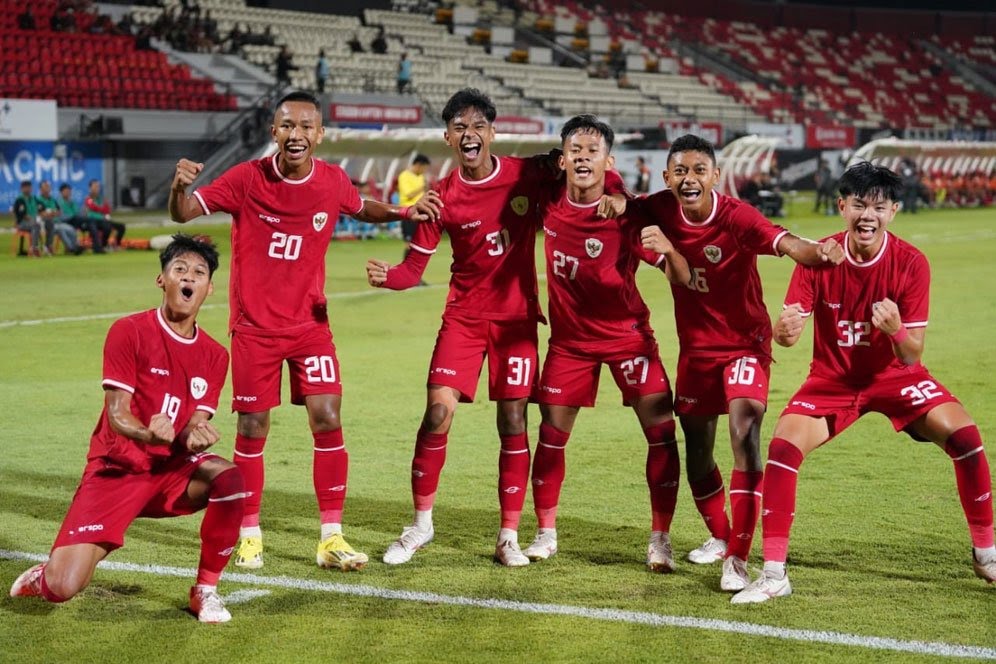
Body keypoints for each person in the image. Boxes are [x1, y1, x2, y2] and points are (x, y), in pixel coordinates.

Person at [168, 90, 440, 572]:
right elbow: (185, 214)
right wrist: (179, 188)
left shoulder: (331, 180)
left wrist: (404, 212)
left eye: (306, 127)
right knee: (253, 427)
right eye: (287, 126)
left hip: (310, 326)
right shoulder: (246, 179)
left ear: (319, 134)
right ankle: (249, 532)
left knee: (328, 416)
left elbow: (361, 207)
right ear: (274, 131)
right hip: (254, 328)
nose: (296, 135)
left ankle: (331, 537)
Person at [365, 92, 625, 567]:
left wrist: (618, 196)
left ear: (492, 132)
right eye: (460, 126)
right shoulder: (440, 197)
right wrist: (392, 277)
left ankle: (508, 535)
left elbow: (590, 164)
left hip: (516, 321)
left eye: (478, 125)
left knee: (512, 423)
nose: (470, 133)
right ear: (448, 137)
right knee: (437, 416)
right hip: (462, 321)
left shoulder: (528, 172)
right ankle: (421, 524)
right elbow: (413, 267)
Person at [731, 162, 996, 603]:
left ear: (893, 210)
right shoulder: (819, 256)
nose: (867, 215)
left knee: (966, 437)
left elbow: (912, 354)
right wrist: (784, 332)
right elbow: (788, 329)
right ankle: (775, 572)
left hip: (894, 376)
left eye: (877, 206)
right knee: (781, 451)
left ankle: (986, 554)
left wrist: (895, 331)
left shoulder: (911, 262)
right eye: (858, 204)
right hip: (831, 381)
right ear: (842, 207)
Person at [631, 134, 843, 591]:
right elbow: (673, 268)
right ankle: (722, 536)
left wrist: (821, 254)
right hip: (697, 350)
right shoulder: (654, 210)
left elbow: (789, 245)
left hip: (746, 343)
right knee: (699, 451)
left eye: (699, 170)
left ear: (715, 176)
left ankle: (738, 560)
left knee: (744, 431)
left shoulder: (736, 216)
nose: (690, 179)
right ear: (667, 177)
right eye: (680, 171)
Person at [9, 234, 243, 623]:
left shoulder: (216, 355)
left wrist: (194, 434)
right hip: (118, 471)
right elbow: (116, 413)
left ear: (209, 287)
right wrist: (146, 434)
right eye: (179, 269)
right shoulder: (129, 331)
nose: (188, 278)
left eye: (198, 272)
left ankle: (206, 590)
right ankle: (43, 576)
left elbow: (195, 422)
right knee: (63, 588)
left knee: (231, 480)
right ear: (162, 280)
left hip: (170, 472)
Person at [524, 115, 690, 571]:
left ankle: (660, 539)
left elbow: (680, 276)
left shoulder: (627, 215)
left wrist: (672, 251)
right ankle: (545, 532)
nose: (582, 157)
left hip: (628, 339)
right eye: (574, 150)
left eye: (592, 151)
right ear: (562, 159)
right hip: (570, 344)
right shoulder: (550, 201)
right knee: (551, 438)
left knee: (661, 435)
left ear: (608, 160)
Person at [397, 153, 430, 268]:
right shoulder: (404, 176)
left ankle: (414, 273)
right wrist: (422, 187)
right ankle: (406, 271)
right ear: (418, 165)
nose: (424, 171)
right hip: (408, 213)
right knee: (409, 244)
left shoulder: (420, 177)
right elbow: (408, 194)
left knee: (418, 244)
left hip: (420, 213)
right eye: (424, 168)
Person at [36, 180, 83, 255]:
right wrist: (52, 213)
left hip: (56, 222)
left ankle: (75, 246)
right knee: (61, 230)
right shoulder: (38, 200)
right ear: (41, 189)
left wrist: (51, 213)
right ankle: (71, 248)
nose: (47, 189)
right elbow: (41, 214)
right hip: (43, 224)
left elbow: (59, 212)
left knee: (71, 229)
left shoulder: (53, 200)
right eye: (45, 187)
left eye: (48, 187)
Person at [57, 183, 107, 253]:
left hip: (76, 220)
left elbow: (78, 212)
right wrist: (74, 216)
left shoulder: (72, 202)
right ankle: (75, 247)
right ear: (61, 192)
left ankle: (97, 247)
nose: (68, 192)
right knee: (89, 220)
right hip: (66, 221)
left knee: (91, 223)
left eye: (69, 191)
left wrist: (81, 214)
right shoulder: (59, 202)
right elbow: (61, 216)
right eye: (66, 191)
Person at [84, 180, 126, 248]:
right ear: (90, 188)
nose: (97, 188)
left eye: (98, 186)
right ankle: (104, 245)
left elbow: (107, 210)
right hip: (95, 222)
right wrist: (102, 214)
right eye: (95, 186)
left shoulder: (101, 199)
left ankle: (117, 244)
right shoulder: (88, 199)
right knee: (107, 228)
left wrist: (104, 213)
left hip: (104, 219)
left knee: (121, 226)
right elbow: (91, 212)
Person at [12, 180, 43, 256]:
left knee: (42, 224)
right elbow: (22, 215)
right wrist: (34, 219)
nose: (28, 189)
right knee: (36, 225)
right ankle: (34, 248)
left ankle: (44, 247)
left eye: (29, 187)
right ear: (22, 189)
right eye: (26, 187)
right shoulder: (20, 200)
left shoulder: (34, 198)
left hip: (33, 222)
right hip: (22, 223)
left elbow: (42, 208)